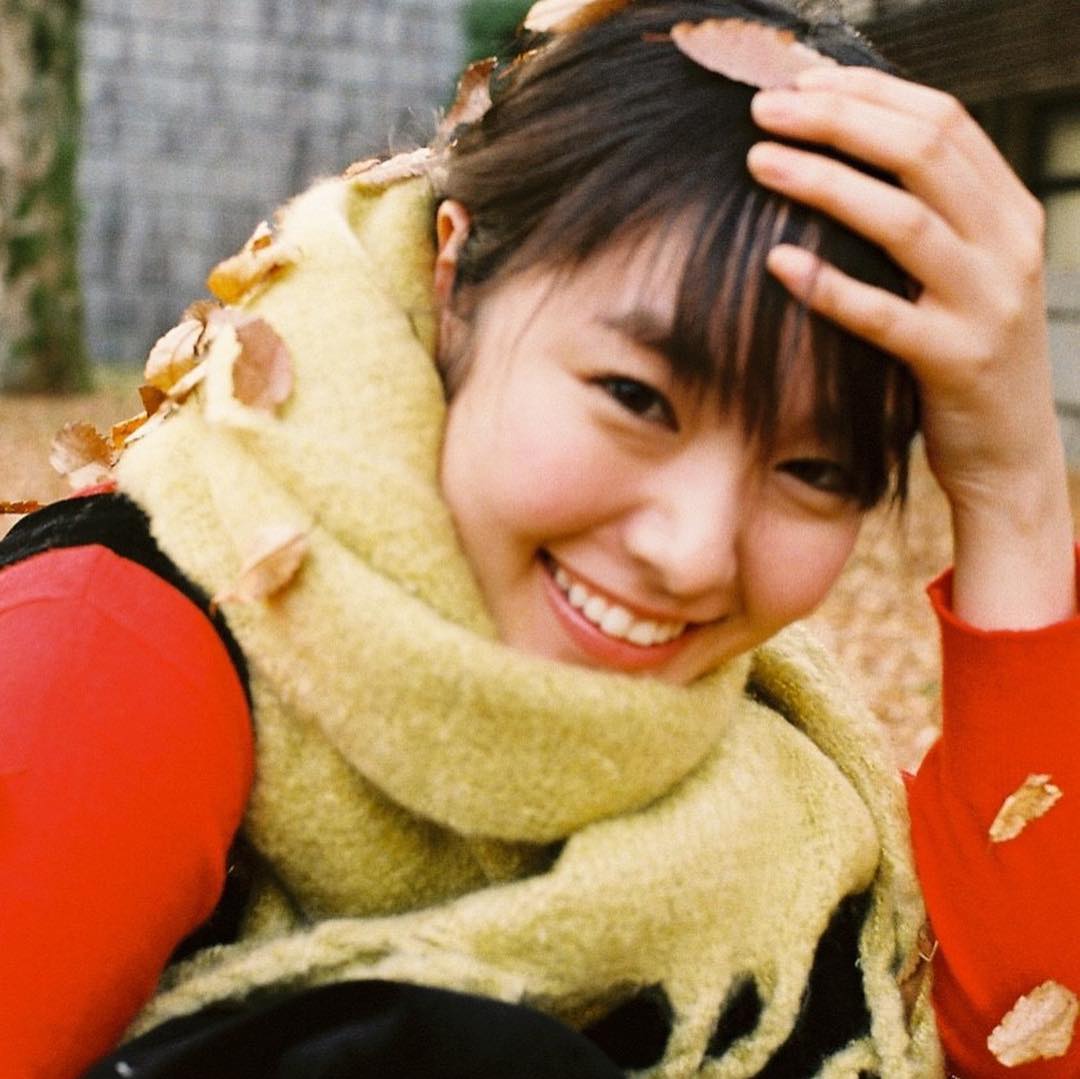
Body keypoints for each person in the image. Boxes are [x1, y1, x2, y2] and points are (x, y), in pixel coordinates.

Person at [2, 1, 1078, 1076]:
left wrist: (1011, 484)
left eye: (815, 470)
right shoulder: (112, 657)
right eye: (635, 397)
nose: (694, 553)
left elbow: (1022, 1040)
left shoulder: (782, 787)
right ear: (458, 278)